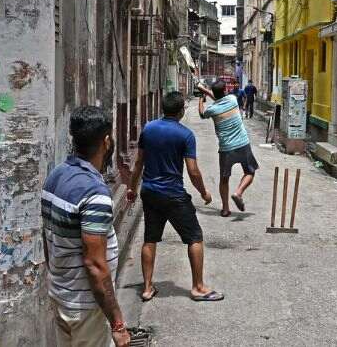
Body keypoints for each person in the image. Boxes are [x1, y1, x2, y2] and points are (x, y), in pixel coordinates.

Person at [41, 106, 130, 347]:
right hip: (85, 308)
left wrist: (58, 277)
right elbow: (95, 265)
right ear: (107, 141)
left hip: (61, 294)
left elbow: (46, 236)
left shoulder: (56, 175)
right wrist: (118, 323)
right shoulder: (95, 192)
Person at [125, 91, 224, 303]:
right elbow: (193, 170)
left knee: (150, 238)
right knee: (195, 237)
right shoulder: (185, 135)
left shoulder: (149, 129)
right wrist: (204, 192)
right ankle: (198, 287)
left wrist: (131, 188)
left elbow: (139, 163)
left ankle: (147, 288)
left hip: (150, 192)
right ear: (181, 111)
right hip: (173, 194)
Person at [196, 80, 258, 217]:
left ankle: (225, 209)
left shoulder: (212, 110)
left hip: (226, 148)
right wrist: (206, 91)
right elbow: (218, 97)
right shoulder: (232, 99)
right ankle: (238, 192)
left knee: (224, 179)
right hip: (242, 143)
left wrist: (201, 98)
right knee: (250, 172)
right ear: (225, 91)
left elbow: (201, 113)